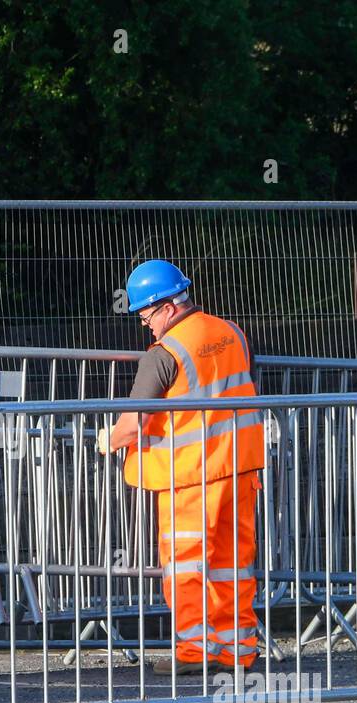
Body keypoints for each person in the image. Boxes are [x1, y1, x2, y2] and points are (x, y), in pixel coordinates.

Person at [96, 260, 265, 675]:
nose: (146, 325)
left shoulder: (166, 352)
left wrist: (106, 441)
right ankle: (238, 650)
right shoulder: (231, 333)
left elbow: (135, 422)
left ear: (169, 306)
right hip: (239, 470)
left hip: (190, 478)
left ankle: (194, 651)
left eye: (147, 315)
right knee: (233, 563)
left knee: (188, 565)